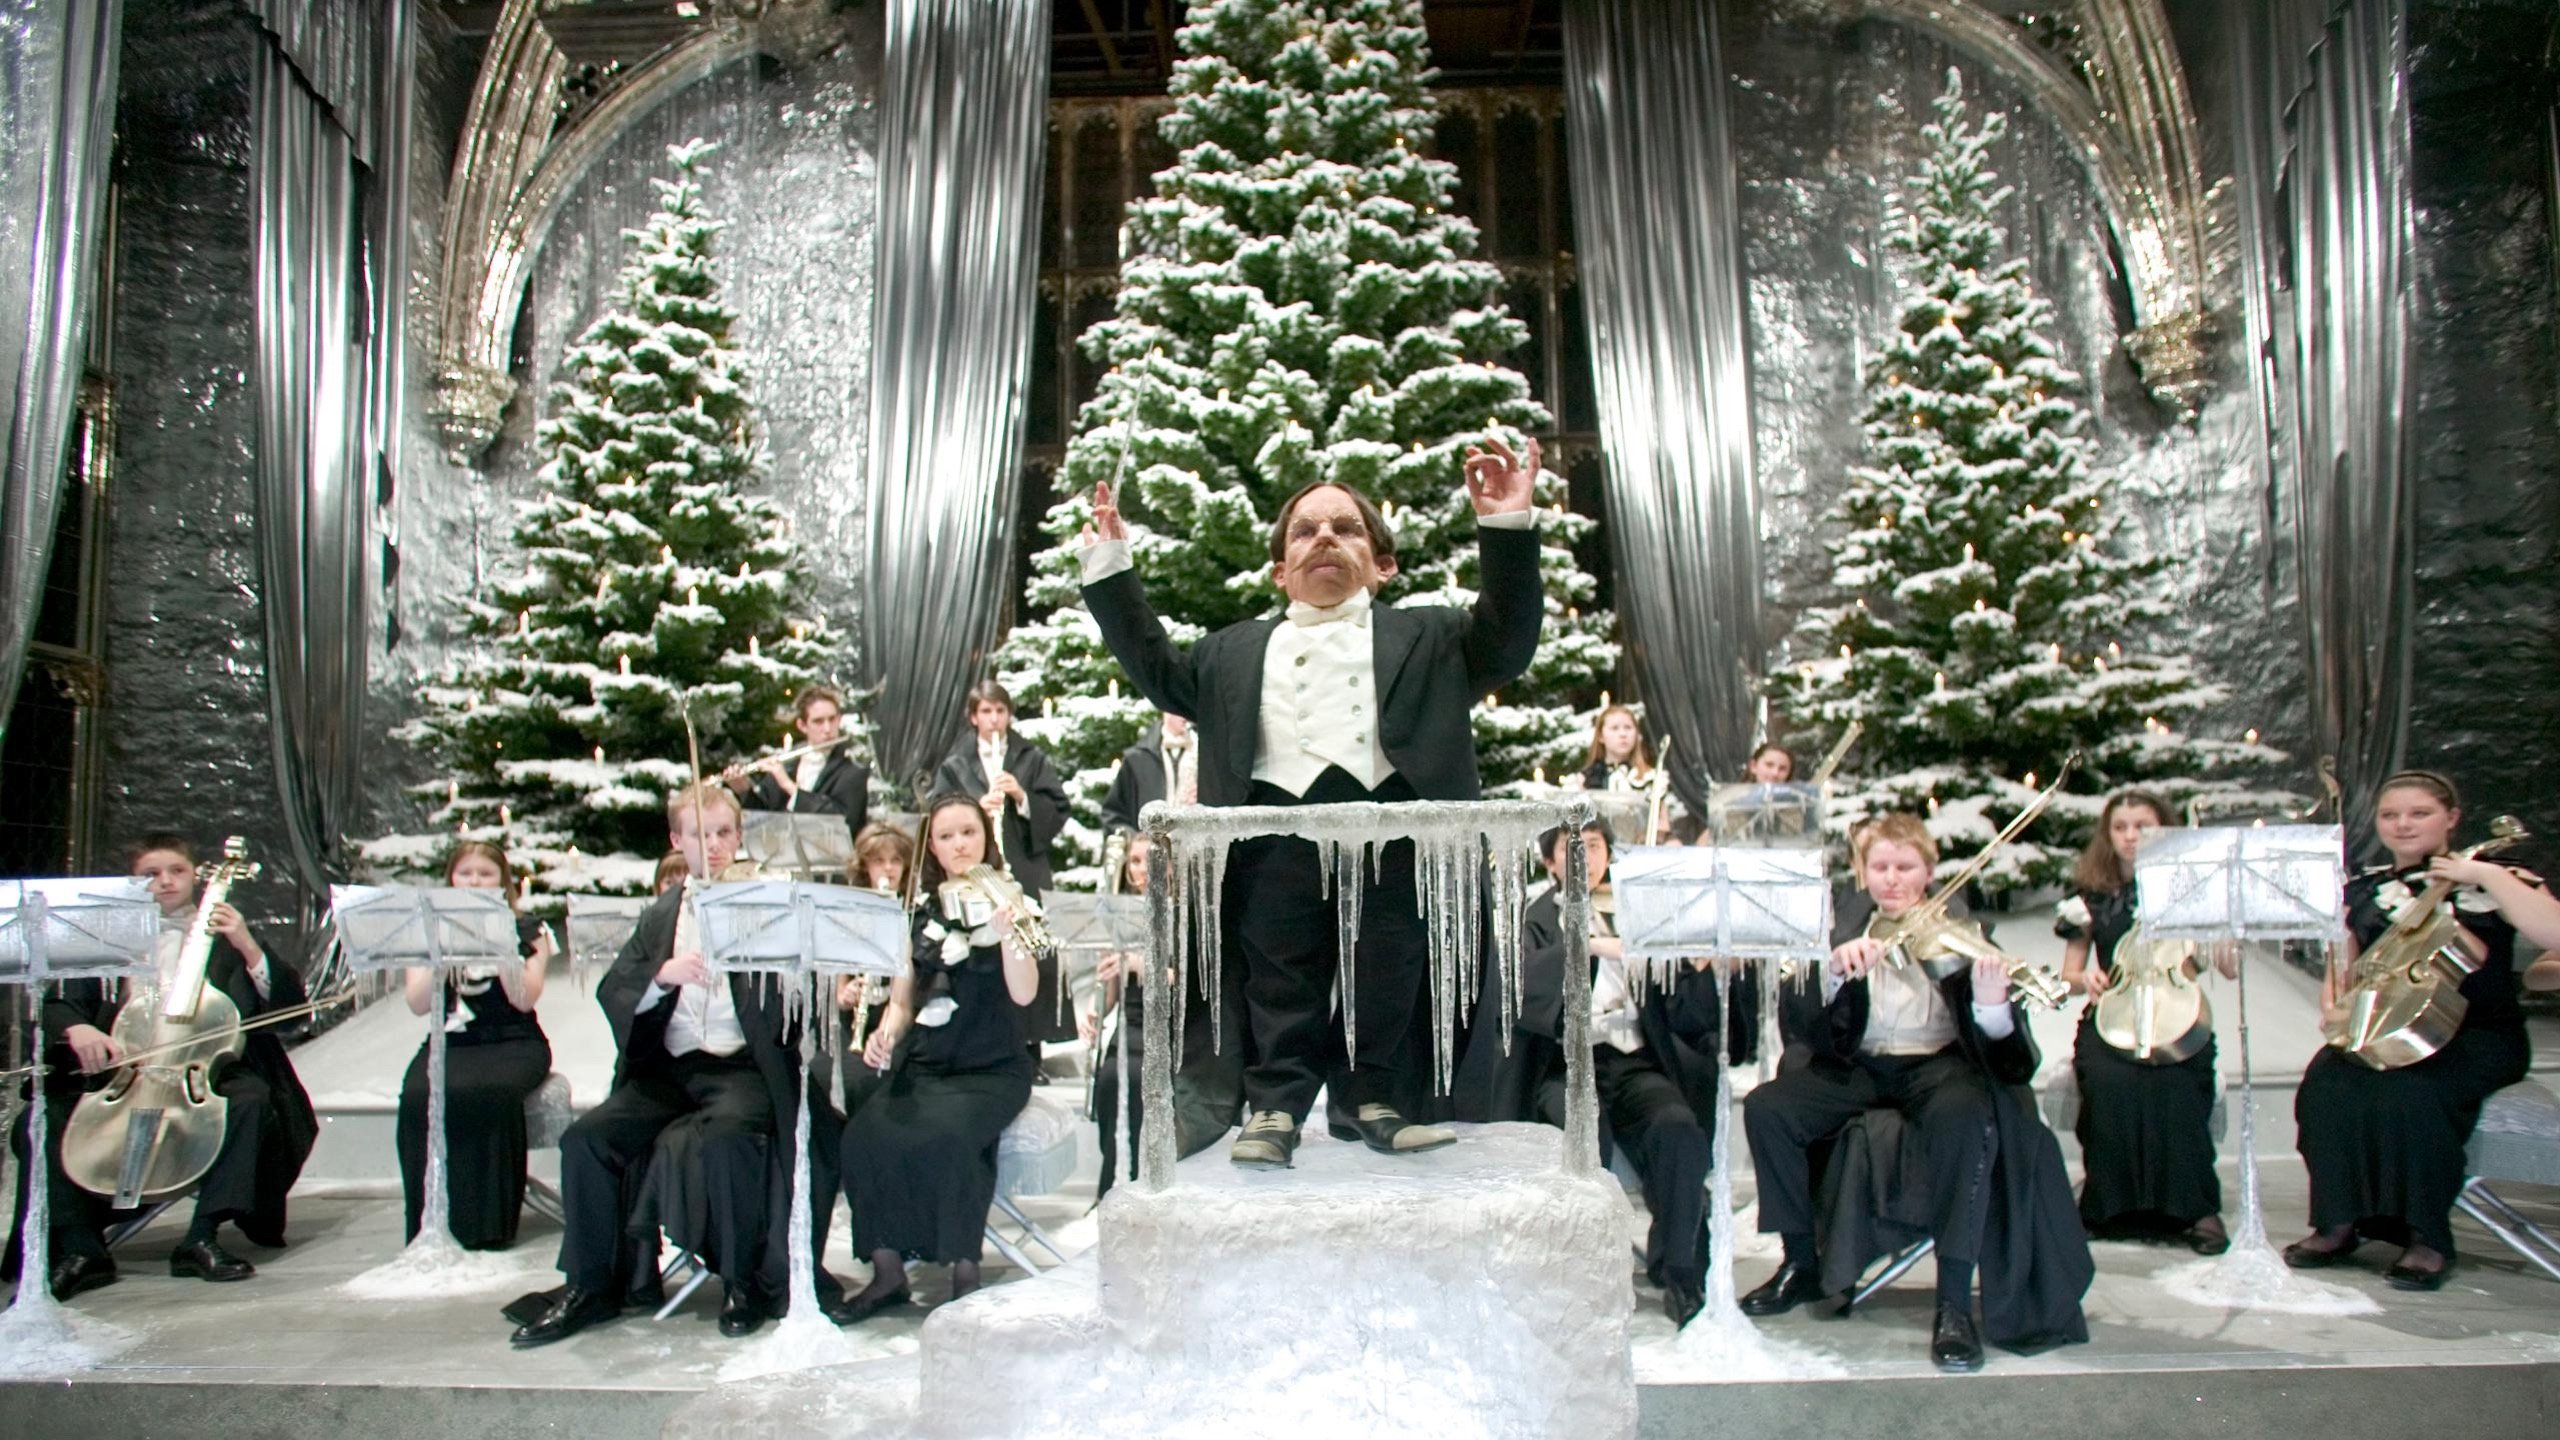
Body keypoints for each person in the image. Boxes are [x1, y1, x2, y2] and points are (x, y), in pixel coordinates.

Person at [1079, 437, 1544, 1167]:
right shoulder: (1229, 651)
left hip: (1397, 835)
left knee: (1389, 968)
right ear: (1280, 570)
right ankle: (1275, 1105)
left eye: (1346, 527)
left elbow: (1510, 640)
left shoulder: (1434, 636)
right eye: (1305, 530)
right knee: (1277, 976)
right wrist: (1111, 569)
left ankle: (1374, 1097)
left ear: (1383, 566)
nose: (1324, 536)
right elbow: (1154, 667)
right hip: (1271, 837)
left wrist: (1507, 527)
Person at [1738, 814, 2089, 1371]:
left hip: (1936, 1066)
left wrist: (1992, 1006)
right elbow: (1802, 1027)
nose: (1892, 878)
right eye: (1880, 867)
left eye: (1905, 867)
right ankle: (1799, 1262)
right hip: (1861, 1066)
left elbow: (2009, 1058)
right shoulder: (1843, 928)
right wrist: (1831, 976)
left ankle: (1953, 1303)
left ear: (1929, 871)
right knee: (1767, 1109)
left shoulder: (1964, 932)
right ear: (1863, 871)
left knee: (1967, 1117)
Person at [512, 783, 803, 1347]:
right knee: (586, 1141)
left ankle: (742, 1284)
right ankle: (592, 1286)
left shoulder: (766, 904)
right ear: (677, 840)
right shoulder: (663, 913)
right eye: (700, 834)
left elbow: (796, 995)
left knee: (730, 1137)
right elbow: (615, 988)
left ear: (739, 837)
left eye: (723, 833)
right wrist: (661, 978)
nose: (713, 845)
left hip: (740, 1067)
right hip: (671, 1070)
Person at [5, 833, 316, 1298]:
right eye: (151, 874)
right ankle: (82, 1248)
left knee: (251, 1100)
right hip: (122, 1073)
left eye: (177, 871)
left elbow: (290, 1011)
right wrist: (80, 1029)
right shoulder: (108, 939)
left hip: (201, 1072)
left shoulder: (225, 940)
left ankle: (202, 1236)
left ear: (194, 877)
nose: (166, 881)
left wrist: (248, 945)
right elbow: (60, 1003)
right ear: (133, 882)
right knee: (40, 1118)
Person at [2286, 770, 2560, 1290]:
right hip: (2387, 1027)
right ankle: (2338, 1223)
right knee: (2326, 1084)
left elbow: (2555, 933)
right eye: (2390, 815)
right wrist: (2336, 1014)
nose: (2403, 824)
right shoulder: (2363, 890)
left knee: (2415, 1093)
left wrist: (2483, 874)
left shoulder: (2502, 879)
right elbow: (2344, 973)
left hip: (2477, 1036)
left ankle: (2426, 1237)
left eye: (2419, 813)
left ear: (2451, 818)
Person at [831, 794, 1039, 1324]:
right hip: (929, 1063)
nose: (959, 844)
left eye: (969, 832)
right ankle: (888, 1274)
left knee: (950, 1139)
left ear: (985, 837)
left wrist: (1010, 934)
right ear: (932, 847)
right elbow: (903, 1003)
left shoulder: (1012, 899)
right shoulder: (919, 913)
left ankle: (964, 1273)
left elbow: (1024, 994)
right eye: (946, 836)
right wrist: (885, 1033)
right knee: (863, 1137)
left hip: (993, 1068)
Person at [1512, 821, 1725, 1326]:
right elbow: (1524, 992)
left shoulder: (1637, 912)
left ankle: (1679, 1268)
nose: (1584, 856)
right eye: (1571, 848)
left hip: (1631, 1060)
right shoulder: (1535, 918)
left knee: (1677, 1128)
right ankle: (1584, 1273)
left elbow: (1681, 1009)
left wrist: (1693, 963)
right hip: (1567, 1064)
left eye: (1594, 846)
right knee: (1585, 1135)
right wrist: (1583, 947)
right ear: (1550, 862)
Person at [2055, 791, 2232, 1253]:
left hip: (2177, 1013)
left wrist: (2223, 929)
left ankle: (2196, 1208)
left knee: (2177, 1083)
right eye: (2120, 827)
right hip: (2112, 1015)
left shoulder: (2190, 887)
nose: (2131, 836)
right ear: (2107, 835)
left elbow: (2226, 968)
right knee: (2108, 1082)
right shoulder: (2090, 897)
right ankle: (2108, 1205)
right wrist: (2084, 979)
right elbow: (2068, 977)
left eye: (2143, 826)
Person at [395, 841, 555, 1251]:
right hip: (452, 1041)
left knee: (490, 1091)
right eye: (465, 873)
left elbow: (524, 998)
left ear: (502, 881)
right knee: (418, 1095)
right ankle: (431, 1221)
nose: (475, 882)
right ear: (451, 879)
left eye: (485, 874)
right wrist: (442, 958)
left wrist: (497, 944)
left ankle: (489, 1223)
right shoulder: (426, 930)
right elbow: (417, 1003)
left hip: (512, 1040)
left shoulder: (530, 930)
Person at [932, 681, 1071, 895]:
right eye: (986, 711)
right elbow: (937, 816)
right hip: (972, 873)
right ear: (974, 717)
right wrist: (975, 811)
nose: (994, 719)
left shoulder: (1031, 758)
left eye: (1000, 710)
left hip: (1024, 866)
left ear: (1009, 714)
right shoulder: (955, 764)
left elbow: (1058, 809)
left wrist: (1022, 797)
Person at [726, 683, 871, 843]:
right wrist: (744, 791)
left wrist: (790, 788)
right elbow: (763, 816)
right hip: (785, 853)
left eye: (832, 719)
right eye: (818, 721)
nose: (827, 729)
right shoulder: (789, 761)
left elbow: (843, 821)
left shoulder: (852, 765)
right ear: (802, 725)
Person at [1100, 712, 1199, 835]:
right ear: (1165, 710)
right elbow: (1112, 815)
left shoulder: (1205, 755)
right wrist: (1133, 839)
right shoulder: (1137, 759)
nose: (1186, 714)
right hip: (1149, 845)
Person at [1569, 704, 1656, 792]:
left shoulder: (1651, 777)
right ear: (1600, 736)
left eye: (1628, 727)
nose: (1623, 734)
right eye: (1614, 728)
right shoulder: (1584, 780)